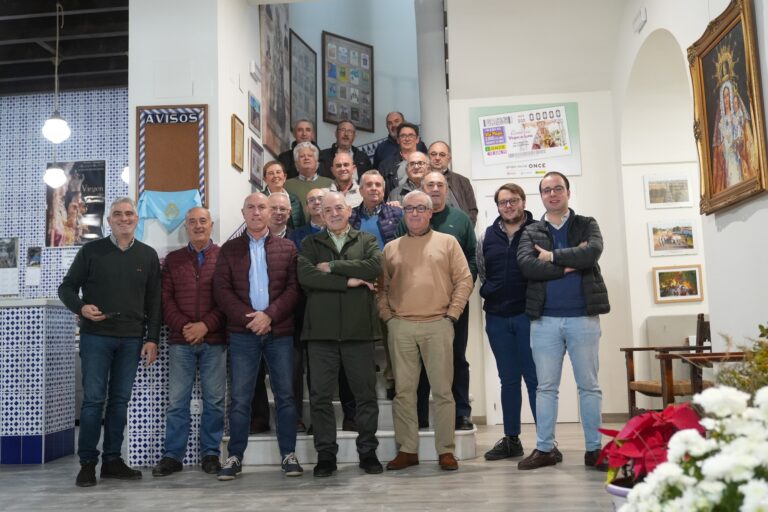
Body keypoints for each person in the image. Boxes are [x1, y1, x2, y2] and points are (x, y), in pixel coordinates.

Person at [58, 197, 161, 487]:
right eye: (118, 214)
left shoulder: (148, 255)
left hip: (131, 339)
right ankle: (88, 463)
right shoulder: (91, 251)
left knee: (119, 402)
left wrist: (152, 338)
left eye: (129, 214)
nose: (124, 218)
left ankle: (113, 460)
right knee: (93, 401)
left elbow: (155, 302)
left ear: (137, 220)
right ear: (109, 221)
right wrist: (81, 308)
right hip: (96, 338)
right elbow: (66, 287)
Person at [516, 171, 610, 471]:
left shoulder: (586, 224)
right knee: (546, 387)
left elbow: (592, 253)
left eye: (558, 188)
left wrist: (552, 257)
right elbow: (528, 266)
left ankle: (594, 450)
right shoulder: (531, 230)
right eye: (547, 190)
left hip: (584, 317)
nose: (553, 194)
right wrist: (570, 263)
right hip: (545, 321)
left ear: (568, 192)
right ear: (541, 196)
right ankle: (545, 449)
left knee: (589, 386)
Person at [378, 190, 473, 472]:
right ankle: (408, 450)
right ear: (403, 214)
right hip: (402, 327)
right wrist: (388, 318)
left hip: (438, 325)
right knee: (404, 393)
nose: (416, 213)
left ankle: (446, 450)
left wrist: (452, 315)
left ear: (431, 213)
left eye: (421, 208)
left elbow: (465, 280)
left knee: (443, 392)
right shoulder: (391, 248)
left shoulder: (448, 242)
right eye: (410, 209)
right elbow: (380, 288)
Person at [213, 192, 302, 480]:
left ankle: (288, 454)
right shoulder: (228, 250)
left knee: (286, 396)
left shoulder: (287, 248)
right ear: (243, 213)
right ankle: (235, 456)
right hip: (243, 333)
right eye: (250, 207)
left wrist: (270, 316)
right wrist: (249, 319)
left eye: (261, 207)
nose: (256, 211)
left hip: (279, 332)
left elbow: (293, 290)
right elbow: (222, 292)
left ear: (270, 212)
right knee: (240, 398)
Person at [298, 192, 383, 477]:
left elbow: (373, 267)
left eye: (339, 208)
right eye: (327, 209)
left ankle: (368, 452)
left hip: (359, 332)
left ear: (349, 211)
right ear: (320, 215)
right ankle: (325, 456)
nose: (333, 213)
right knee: (320, 398)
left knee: (365, 396)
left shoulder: (366, 240)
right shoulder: (310, 243)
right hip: (320, 334)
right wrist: (349, 280)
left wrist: (333, 267)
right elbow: (306, 277)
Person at [397, 171, 477, 431]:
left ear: (447, 188)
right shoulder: (408, 217)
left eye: (439, 184)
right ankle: (420, 416)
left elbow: (472, 260)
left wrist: (458, 297)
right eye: (429, 184)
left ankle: (461, 413)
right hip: (417, 307)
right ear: (422, 187)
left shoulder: (460, 219)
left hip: (453, 306)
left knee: (456, 358)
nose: (434, 188)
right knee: (419, 363)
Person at [152, 207, 226, 477]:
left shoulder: (224, 256)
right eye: (192, 222)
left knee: (215, 401)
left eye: (202, 221)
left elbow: (227, 298)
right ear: (185, 227)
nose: (197, 226)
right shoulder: (172, 260)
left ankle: (210, 454)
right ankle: (172, 456)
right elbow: (165, 299)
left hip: (215, 339)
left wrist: (206, 325)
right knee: (176, 402)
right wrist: (185, 327)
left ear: (211, 225)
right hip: (180, 340)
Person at [476, 184, 537, 461]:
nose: (508, 206)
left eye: (513, 201)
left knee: (536, 380)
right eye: (503, 202)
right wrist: (489, 290)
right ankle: (512, 439)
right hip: (498, 317)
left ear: (523, 202)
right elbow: (482, 269)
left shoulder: (539, 231)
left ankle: (546, 442)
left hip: (529, 316)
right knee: (508, 380)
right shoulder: (486, 236)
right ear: (497, 206)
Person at [249, 192, 305, 434]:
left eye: (284, 209)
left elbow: (296, 285)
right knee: (255, 374)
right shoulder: (246, 241)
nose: (279, 212)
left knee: (291, 373)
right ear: (265, 210)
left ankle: (294, 419)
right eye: (274, 208)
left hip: (286, 318)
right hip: (252, 320)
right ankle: (259, 419)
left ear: (290, 213)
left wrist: (273, 313)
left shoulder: (297, 240)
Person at [349, 169, 404, 398]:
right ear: (360, 190)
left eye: (378, 185)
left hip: (389, 282)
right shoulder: (350, 216)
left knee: (391, 333)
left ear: (384, 189)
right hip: (360, 281)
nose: (373, 188)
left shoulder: (397, 214)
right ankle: (364, 382)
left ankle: (392, 381)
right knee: (360, 335)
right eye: (368, 185)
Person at [428, 141, 478, 226]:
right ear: (428, 157)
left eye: (442, 155)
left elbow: (472, 210)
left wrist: (465, 229)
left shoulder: (463, 181)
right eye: (433, 154)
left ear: (449, 159)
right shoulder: (422, 181)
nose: (437, 158)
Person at [284, 142, 333, 218]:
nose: (306, 158)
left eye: (310, 155)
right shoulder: (287, 185)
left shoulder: (330, 183)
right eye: (302, 156)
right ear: (296, 164)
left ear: (317, 162)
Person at [379, 122, 423, 198]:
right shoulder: (386, 165)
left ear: (417, 139)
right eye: (403, 136)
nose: (407, 139)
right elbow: (381, 192)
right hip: (396, 206)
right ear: (398, 140)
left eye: (411, 135)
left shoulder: (427, 162)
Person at [262, 160, 305, 230]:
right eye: (271, 173)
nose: (275, 176)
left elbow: (301, 226)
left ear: (284, 177)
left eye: (278, 172)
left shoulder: (295, 200)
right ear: (265, 179)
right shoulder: (260, 199)